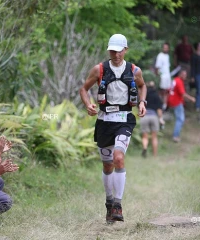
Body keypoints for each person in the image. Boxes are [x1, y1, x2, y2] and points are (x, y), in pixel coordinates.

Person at [79, 34, 147, 223]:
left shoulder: (134, 70)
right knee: (107, 164)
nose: (116, 54)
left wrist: (142, 102)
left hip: (125, 119)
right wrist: (88, 104)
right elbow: (83, 89)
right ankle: (109, 203)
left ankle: (118, 204)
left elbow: (142, 86)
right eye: (112, 50)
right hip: (104, 120)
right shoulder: (99, 69)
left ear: (126, 49)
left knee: (118, 157)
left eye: (119, 50)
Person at [167, 69, 196, 142]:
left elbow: (169, 90)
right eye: (184, 75)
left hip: (171, 100)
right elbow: (183, 93)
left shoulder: (174, 80)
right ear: (180, 74)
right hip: (177, 102)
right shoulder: (179, 81)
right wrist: (191, 98)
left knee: (179, 118)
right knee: (180, 119)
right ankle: (175, 136)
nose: (185, 76)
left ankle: (176, 135)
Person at [139, 81, 164, 158]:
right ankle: (155, 155)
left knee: (145, 136)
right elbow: (159, 110)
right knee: (154, 137)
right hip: (153, 116)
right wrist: (161, 119)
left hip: (145, 116)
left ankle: (145, 147)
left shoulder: (143, 96)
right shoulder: (156, 96)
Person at [155, 42, 171, 110]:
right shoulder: (160, 55)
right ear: (162, 48)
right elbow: (157, 68)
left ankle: (165, 105)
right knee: (162, 91)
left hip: (168, 76)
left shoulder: (167, 56)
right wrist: (159, 76)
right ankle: (160, 105)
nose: (165, 49)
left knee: (167, 91)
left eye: (167, 48)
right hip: (163, 76)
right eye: (164, 47)